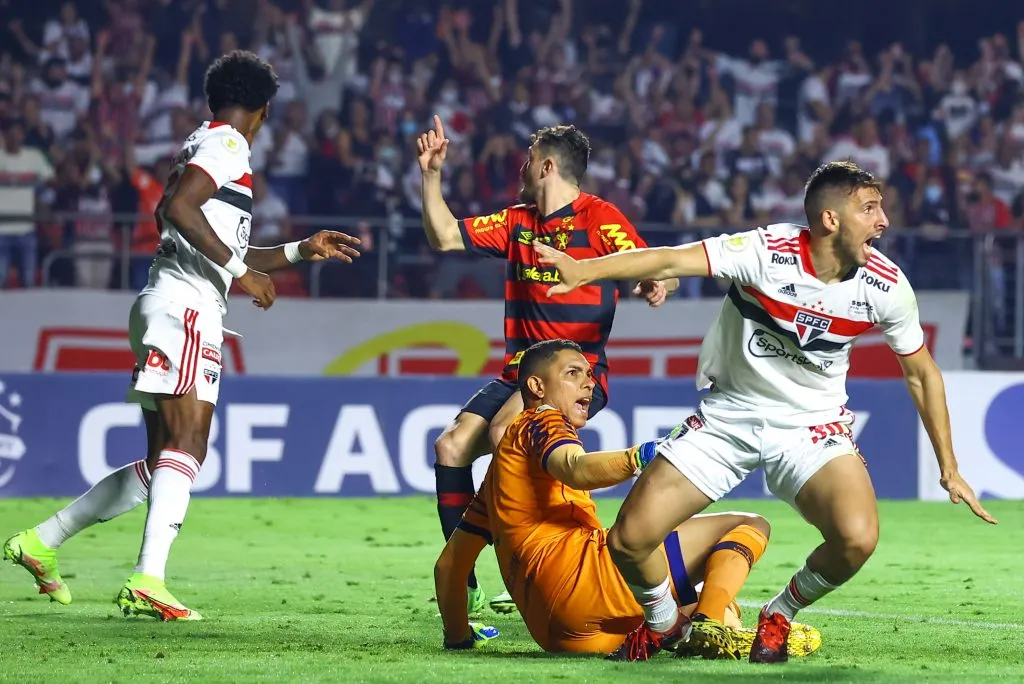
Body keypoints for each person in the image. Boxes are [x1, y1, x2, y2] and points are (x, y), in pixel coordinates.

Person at [533, 160, 997, 662]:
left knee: (857, 539)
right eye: (869, 208)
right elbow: (668, 258)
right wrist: (585, 270)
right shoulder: (764, 252)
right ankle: (665, 624)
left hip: (811, 426)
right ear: (830, 220)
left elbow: (922, 373)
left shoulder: (885, 285)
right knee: (628, 541)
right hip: (728, 415)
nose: (884, 220)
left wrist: (949, 468)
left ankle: (780, 612)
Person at [2, 50, 361, 621]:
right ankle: (148, 580)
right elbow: (179, 209)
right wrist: (244, 274)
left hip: (163, 302)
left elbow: (211, 236)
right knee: (188, 448)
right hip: (187, 309)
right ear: (263, 110)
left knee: (161, 462)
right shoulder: (228, 145)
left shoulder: (200, 140)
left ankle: (42, 541)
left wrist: (297, 251)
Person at [416, 116, 678, 613]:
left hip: (578, 378)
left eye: (529, 157)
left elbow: (658, 266)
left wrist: (659, 284)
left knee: (504, 434)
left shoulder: (599, 218)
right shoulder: (517, 222)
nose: (521, 166)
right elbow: (445, 237)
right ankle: (461, 578)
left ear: (547, 165)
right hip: (520, 372)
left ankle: (536, 565)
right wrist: (431, 176)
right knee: (450, 447)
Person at [433, 339, 790, 659]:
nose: (590, 382)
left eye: (590, 374)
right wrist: (640, 456)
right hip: (585, 579)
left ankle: (701, 623)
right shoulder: (541, 420)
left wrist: (458, 639)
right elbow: (574, 467)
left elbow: (449, 566)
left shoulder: (498, 480)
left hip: (562, 635)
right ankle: (709, 624)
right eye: (573, 373)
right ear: (537, 386)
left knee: (707, 601)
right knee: (749, 524)